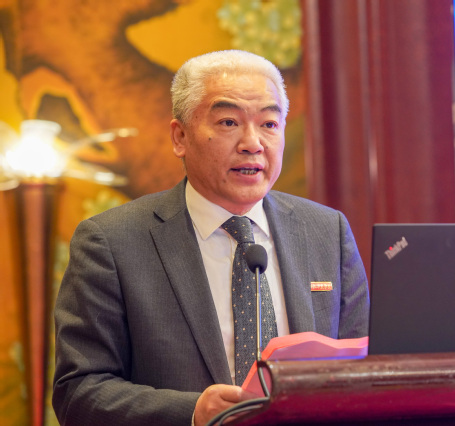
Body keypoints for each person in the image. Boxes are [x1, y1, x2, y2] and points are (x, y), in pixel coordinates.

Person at [52, 50, 370, 426]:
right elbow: (78, 392)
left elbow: (368, 369)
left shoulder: (326, 231)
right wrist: (191, 413)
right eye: (229, 122)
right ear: (180, 136)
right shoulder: (112, 243)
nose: (253, 143)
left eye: (269, 124)